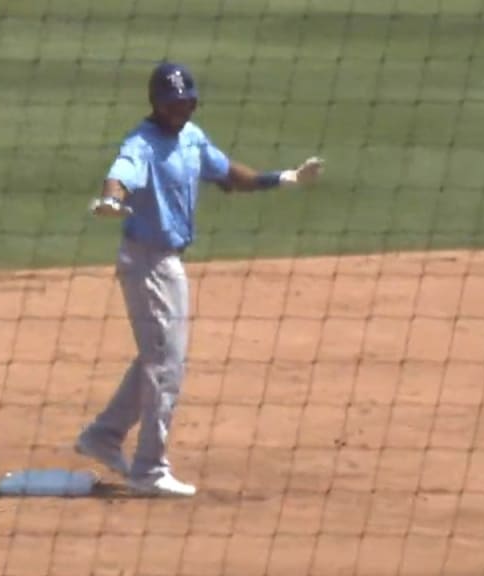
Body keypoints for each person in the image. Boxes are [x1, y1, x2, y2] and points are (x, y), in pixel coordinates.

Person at [74, 61, 325, 496]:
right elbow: (119, 176)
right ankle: (149, 469)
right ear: (156, 102)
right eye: (173, 103)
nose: (180, 109)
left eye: (186, 101)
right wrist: (111, 200)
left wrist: (283, 178)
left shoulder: (192, 138)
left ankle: (104, 435)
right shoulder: (142, 144)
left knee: (157, 356)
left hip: (170, 264)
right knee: (166, 363)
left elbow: (229, 175)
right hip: (146, 263)